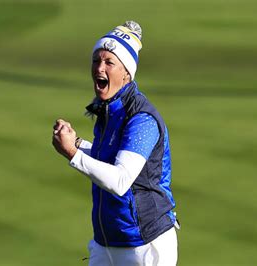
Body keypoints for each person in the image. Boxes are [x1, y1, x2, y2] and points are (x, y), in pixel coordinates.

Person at [52, 21, 178, 266]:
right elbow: (107, 154)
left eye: (109, 62)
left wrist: (72, 153)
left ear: (127, 74)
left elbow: (120, 181)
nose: (100, 68)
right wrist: (76, 142)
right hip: (106, 242)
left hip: (144, 245)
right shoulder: (108, 110)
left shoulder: (142, 119)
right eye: (96, 60)